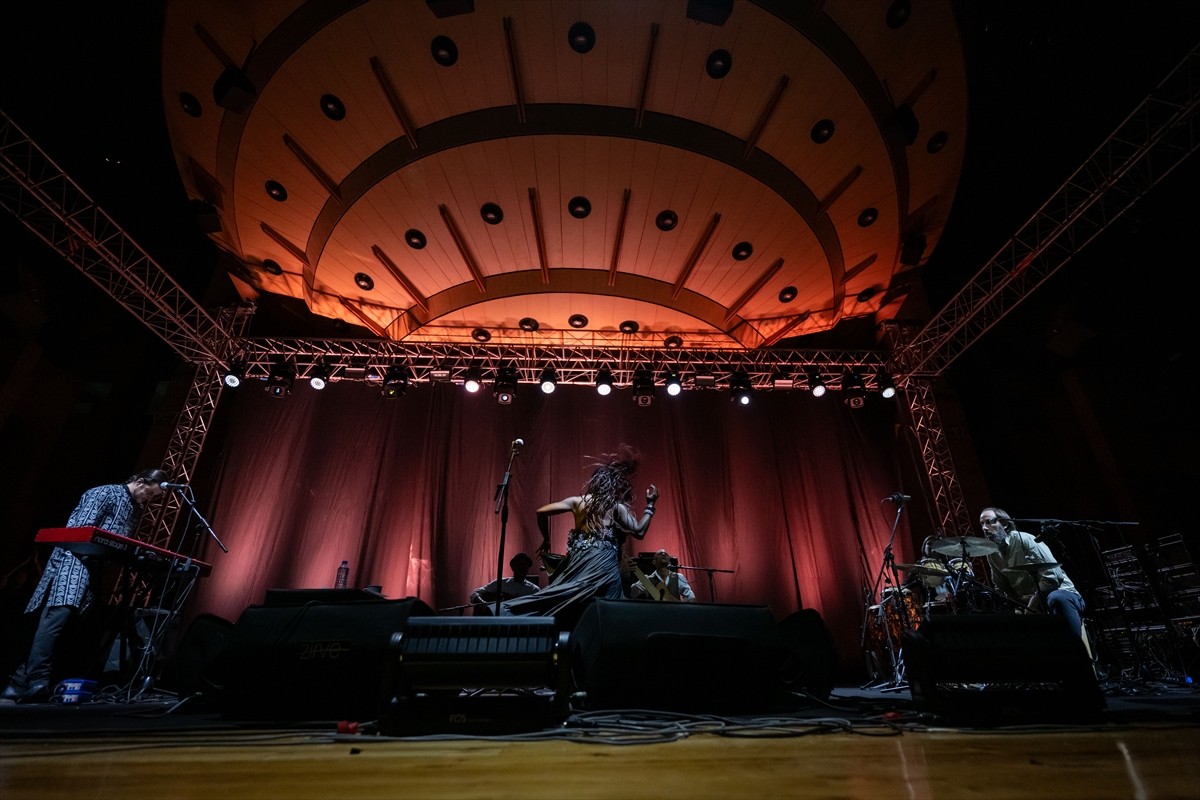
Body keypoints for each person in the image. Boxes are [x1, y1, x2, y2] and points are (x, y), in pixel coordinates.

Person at [1, 468, 169, 703]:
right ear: (140, 482)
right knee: (58, 618)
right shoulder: (103, 493)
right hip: (72, 562)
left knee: (70, 626)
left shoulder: (135, 509)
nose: (148, 500)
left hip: (94, 570)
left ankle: (19, 682)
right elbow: (78, 532)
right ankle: (38, 679)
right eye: (149, 494)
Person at [502, 446, 658, 626]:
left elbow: (540, 512)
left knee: (568, 594)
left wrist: (546, 539)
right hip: (603, 562)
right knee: (606, 605)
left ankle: (512, 617)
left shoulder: (577, 502)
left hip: (580, 560)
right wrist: (650, 505)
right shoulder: (616, 507)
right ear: (612, 485)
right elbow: (639, 531)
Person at [979, 506, 1086, 637]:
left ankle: (1077, 649)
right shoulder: (991, 553)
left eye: (989, 522)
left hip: (1059, 594)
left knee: (1057, 598)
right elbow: (1001, 585)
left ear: (1005, 523)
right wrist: (1018, 607)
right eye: (982, 524)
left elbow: (1052, 576)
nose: (984, 528)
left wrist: (1032, 605)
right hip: (1026, 603)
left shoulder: (1025, 540)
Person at [468, 552, 541, 613]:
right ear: (512, 567)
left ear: (528, 568)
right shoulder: (501, 583)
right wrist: (484, 605)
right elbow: (474, 593)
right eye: (519, 564)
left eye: (525, 565)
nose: (522, 568)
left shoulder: (534, 590)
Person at [629, 548, 695, 602]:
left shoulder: (679, 577)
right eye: (660, 554)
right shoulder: (647, 579)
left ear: (669, 561)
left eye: (666, 554)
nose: (663, 554)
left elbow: (691, 597)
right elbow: (632, 592)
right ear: (654, 562)